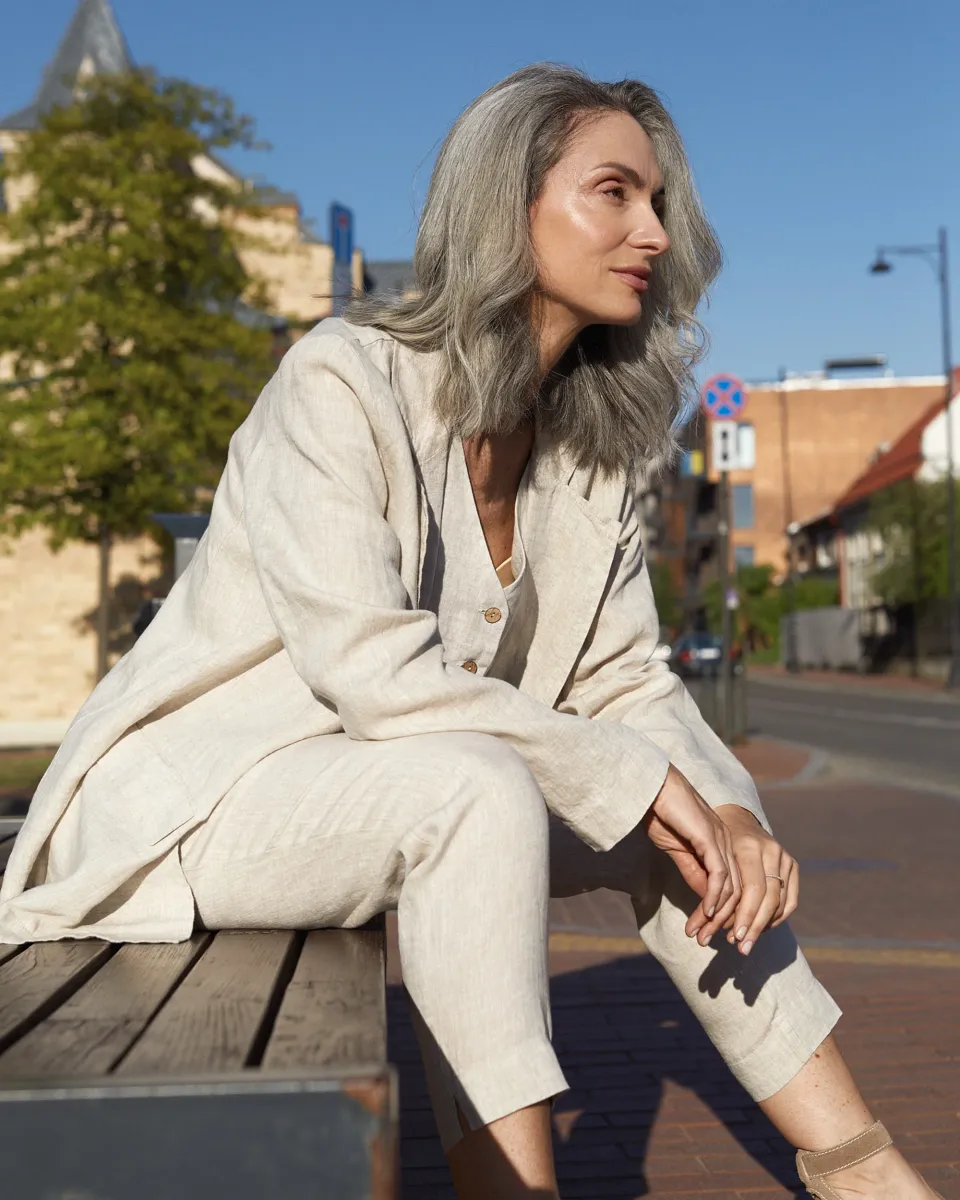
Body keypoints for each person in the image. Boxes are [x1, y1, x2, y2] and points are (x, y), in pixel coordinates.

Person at [0, 64, 939, 1200]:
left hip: (397, 789)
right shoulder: (340, 381)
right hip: (203, 803)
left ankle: (859, 1169)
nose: (653, 231)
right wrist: (637, 784)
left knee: (670, 833)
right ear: (508, 206)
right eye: (616, 194)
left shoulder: (592, 448)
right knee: (482, 788)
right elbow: (375, 675)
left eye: (658, 203)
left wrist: (727, 809)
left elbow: (627, 679)